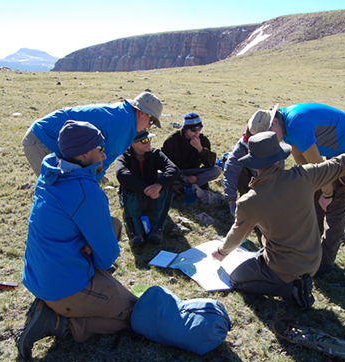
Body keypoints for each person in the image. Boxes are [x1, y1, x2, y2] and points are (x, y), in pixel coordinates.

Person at [212, 131, 345, 310]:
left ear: (254, 164)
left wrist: (221, 252)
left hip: (284, 268)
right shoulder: (304, 176)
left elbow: (237, 234)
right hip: (313, 260)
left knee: (236, 279)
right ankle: (292, 279)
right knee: (259, 256)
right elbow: (341, 163)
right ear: (280, 158)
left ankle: (292, 290)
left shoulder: (250, 200)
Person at [16, 121, 137, 359]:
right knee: (135, 313)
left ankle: (59, 304)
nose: (104, 155)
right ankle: (59, 322)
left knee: (113, 224)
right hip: (63, 286)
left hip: (39, 274)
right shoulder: (85, 191)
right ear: (83, 153)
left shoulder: (50, 170)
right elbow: (107, 259)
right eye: (100, 149)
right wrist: (94, 247)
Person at [271, 103, 345, 275]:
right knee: (314, 195)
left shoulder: (296, 123)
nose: (271, 139)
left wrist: (327, 193)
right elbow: (300, 157)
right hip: (337, 151)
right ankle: (309, 250)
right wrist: (311, 184)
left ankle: (325, 262)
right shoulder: (285, 125)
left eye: (270, 134)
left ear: (274, 121)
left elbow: (318, 167)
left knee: (336, 202)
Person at [21, 91, 163, 178]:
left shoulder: (123, 114)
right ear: (141, 112)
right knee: (58, 191)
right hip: (43, 139)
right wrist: (94, 182)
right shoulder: (125, 125)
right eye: (151, 121)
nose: (149, 127)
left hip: (45, 135)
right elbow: (101, 159)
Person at [115, 131, 180, 247]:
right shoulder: (123, 157)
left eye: (149, 139)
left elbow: (173, 169)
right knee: (127, 190)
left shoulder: (155, 154)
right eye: (144, 141)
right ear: (133, 144)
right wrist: (145, 189)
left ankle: (157, 229)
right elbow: (121, 174)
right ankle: (136, 233)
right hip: (137, 195)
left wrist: (158, 185)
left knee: (167, 187)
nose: (148, 142)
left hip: (154, 195)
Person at [223, 106, 284, 216]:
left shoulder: (274, 143)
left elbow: (279, 172)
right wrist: (232, 201)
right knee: (239, 167)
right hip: (251, 180)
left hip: (267, 181)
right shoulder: (243, 146)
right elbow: (231, 170)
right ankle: (247, 202)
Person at [161, 112, 222, 190]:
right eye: (193, 129)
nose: (197, 132)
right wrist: (183, 176)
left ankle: (182, 186)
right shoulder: (172, 139)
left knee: (216, 170)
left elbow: (210, 164)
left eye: (199, 129)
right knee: (158, 174)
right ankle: (190, 185)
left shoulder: (203, 140)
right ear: (186, 130)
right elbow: (164, 163)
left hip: (193, 172)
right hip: (176, 172)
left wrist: (200, 149)